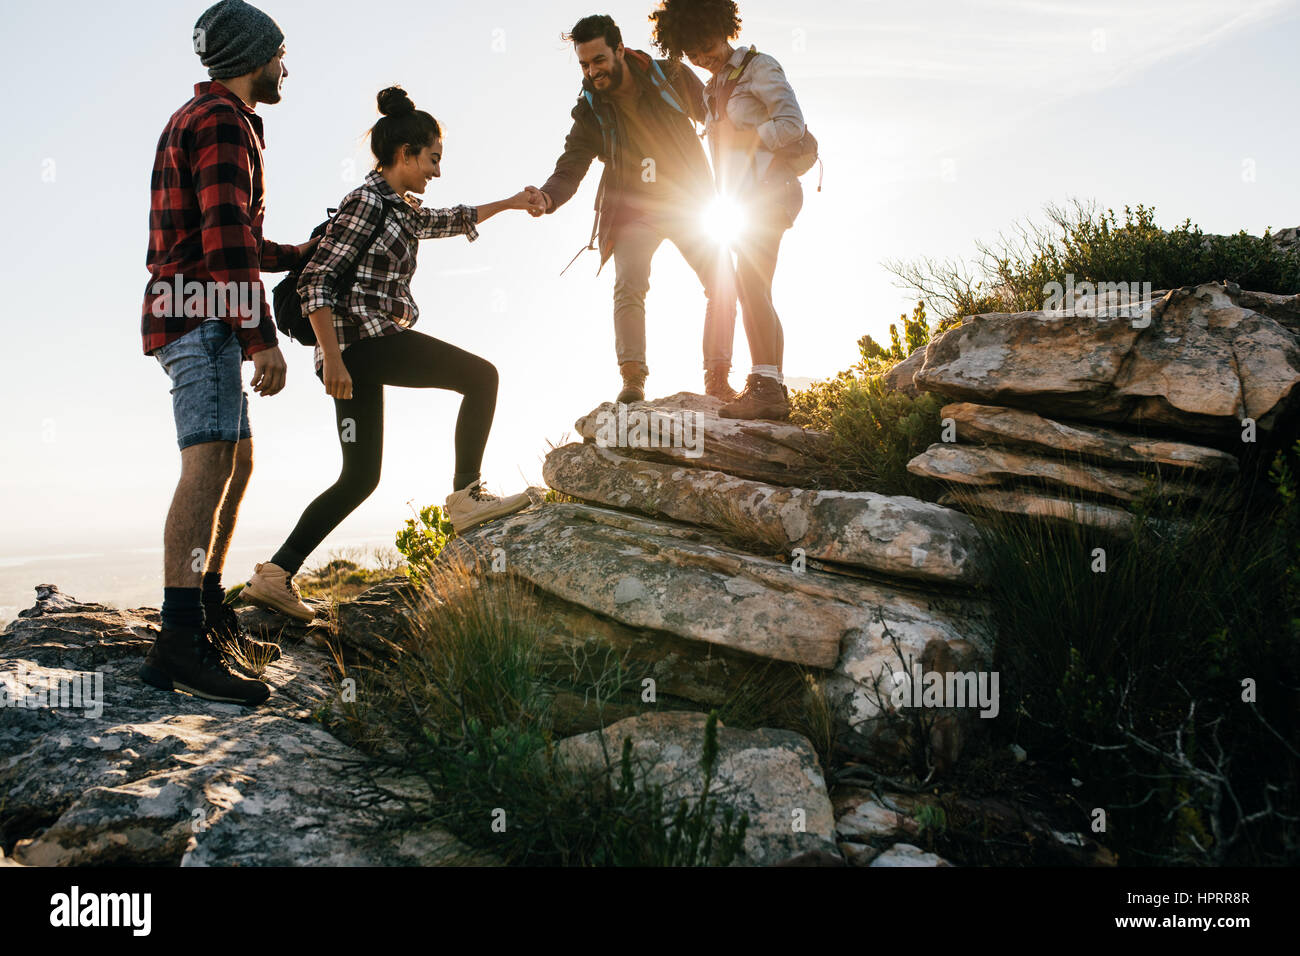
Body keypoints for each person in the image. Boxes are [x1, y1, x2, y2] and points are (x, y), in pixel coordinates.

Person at [239, 86, 535, 626]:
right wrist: (334, 361)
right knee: (481, 377)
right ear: (405, 154)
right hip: (365, 346)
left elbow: (450, 217)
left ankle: (275, 576)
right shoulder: (366, 202)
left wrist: (513, 202)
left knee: (359, 477)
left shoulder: (403, 210)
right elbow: (316, 282)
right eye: (433, 159)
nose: (437, 171)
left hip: (360, 354)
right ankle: (466, 497)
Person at [140, 0, 316, 707]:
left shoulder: (209, 118)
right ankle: (179, 638)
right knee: (208, 462)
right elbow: (223, 244)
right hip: (200, 315)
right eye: (279, 53)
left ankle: (207, 609)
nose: (285, 66)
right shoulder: (220, 122)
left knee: (235, 459)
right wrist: (261, 338)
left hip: (196, 308)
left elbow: (232, 233)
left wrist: (303, 251)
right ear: (254, 56)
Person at [526, 14, 740, 404]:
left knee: (723, 278)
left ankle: (718, 377)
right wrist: (547, 196)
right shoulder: (589, 111)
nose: (592, 71)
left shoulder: (669, 76)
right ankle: (633, 380)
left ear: (619, 50)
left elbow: (718, 115)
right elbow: (571, 166)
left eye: (599, 60)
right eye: (585, 64)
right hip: (633, 210)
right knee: (628, 285)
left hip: (690, 202)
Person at [650, 0, 810, 420]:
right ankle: (770, 386)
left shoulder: (759, 67)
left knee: (750, 284)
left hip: (772, 190)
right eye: (692, 53)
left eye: (705, 45)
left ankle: (765, 387)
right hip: (741, 200)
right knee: (755, 287)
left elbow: (793, 123)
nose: (703, 58)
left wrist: (747, 136)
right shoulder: (709, 88)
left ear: (722, 27)